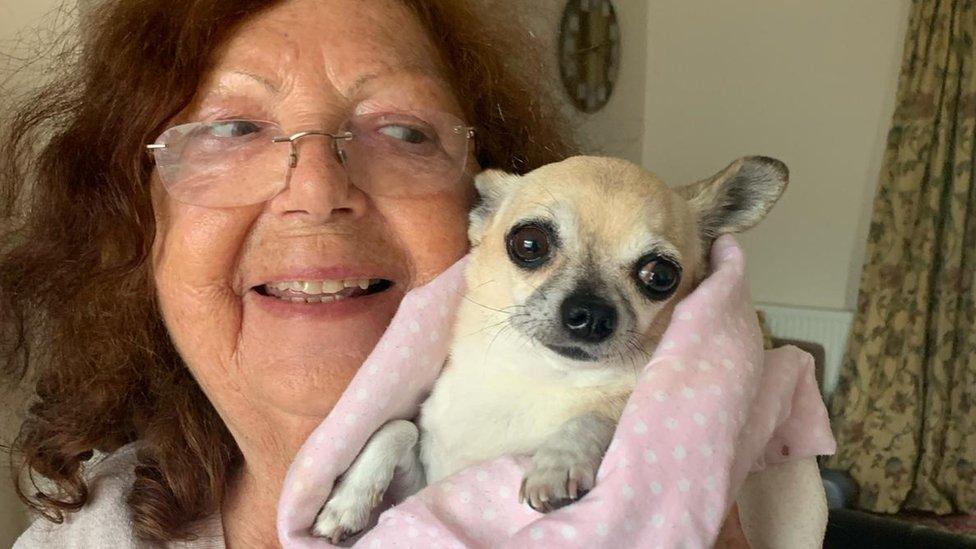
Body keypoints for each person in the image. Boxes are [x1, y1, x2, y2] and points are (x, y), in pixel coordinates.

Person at [0, 0, 747, 546]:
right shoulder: (82, 536)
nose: (318, 189)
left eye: (401, 130)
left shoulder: (711, 503)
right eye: (234, 129)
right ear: (135, 225)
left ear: (477, 204)